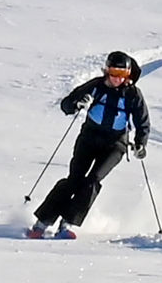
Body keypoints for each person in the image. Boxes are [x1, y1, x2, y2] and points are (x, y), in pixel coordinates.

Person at [29, 51, 152, 239]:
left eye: (122, 74)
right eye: (113, 73)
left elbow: (142, 122)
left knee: (93, 181)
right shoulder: (96, 87)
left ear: (128, 74)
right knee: (74, 179)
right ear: (106, 71)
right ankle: (42, 222)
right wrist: (78, 104)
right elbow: (66, 105)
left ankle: (67, 223)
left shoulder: (133, 94)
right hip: (89, 138)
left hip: (115, 144)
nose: (117, 79)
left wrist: (140, 144)